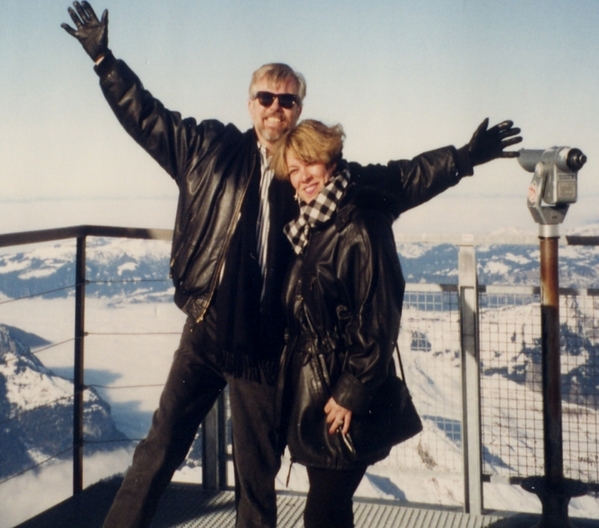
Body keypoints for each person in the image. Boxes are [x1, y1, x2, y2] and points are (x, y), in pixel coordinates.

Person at [61, 3, 522, 527]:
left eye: (288, 99)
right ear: (251, 103)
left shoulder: (318, 174)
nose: (276, 107)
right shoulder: (206, 150)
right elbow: (147, 117)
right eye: (267, 97)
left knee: (255, 479)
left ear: (299, 108)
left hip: (266, 349)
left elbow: (400, 179)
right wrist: (104, 60)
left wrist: (464, 158)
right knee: (158, 450)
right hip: (207, 332)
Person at [270, 120, 408, 527]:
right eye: (293, 170)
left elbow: (380, 317)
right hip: (316, 388)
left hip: (340, 392)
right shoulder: (312, 226)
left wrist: (352, 390)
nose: (302, 177)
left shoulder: (361, 225)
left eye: (309, 164)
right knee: (331, 505)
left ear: (330, 160)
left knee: (324, 509)